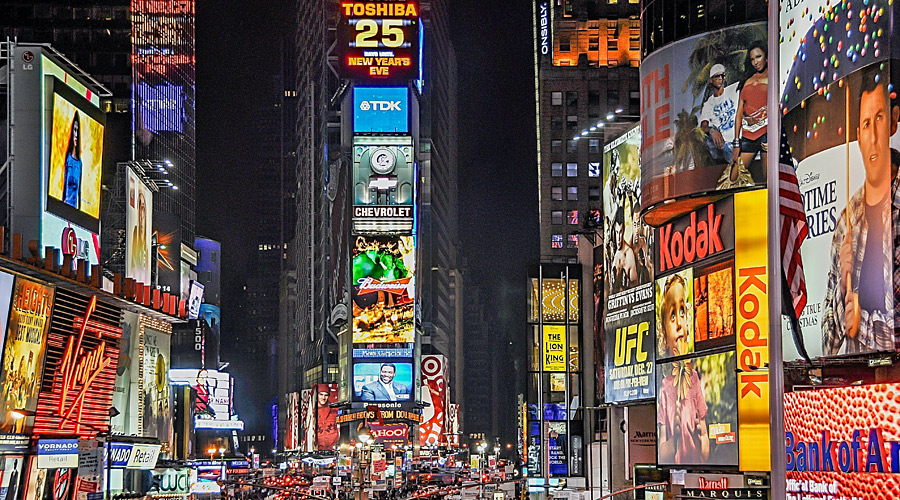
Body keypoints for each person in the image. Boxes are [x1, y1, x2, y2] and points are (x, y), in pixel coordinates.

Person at [823, 68, 900, 355]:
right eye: (866, 124)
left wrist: (860, 322)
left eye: (879, 118)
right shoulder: (846, 221)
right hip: (858, 388)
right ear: (857, 136)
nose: (873, 136)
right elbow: (828, 344)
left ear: (893, 122)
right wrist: (843, 295)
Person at [656, 273, 709, 464]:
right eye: (672, 316)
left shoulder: (694, 378)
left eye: (682, 311)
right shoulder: (664, 385)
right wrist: (675, 437)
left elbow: (705, 449)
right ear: (663, 330)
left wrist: (700, 436)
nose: (679, 323)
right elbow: (662, 453)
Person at [730, 41, 769, 183]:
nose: (755, 62)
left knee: (769, 180)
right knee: (733, 179)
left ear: (766, 56)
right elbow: (739, 113)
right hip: (748, 135)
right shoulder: (747, 81)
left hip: (766, 132)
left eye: (758, 57)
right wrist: (736, 143)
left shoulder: (774, 75)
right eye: (752, 59)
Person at [699, 64, 739, 164]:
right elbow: (703, 127)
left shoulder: (733, 90)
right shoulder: (708, 104)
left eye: (722, 76)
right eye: (717, 76)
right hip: (724, 145)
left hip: (738, 141)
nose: (720, 78)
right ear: (711, 80)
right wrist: (712, 130)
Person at [610, 205, 638, 294]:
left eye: (621, 232)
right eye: (617, 232)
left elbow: (635, 286)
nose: (618, 238)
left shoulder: (629, 254)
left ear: (624, 231)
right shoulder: (613, 253)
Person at [63, 113, 82, 209]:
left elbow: (80, 190)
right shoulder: (68, 159)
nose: (76, 135)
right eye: (74, 130)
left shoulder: (79, 163)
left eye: (78, 131)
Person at [130, 189, 149, 283]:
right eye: (140, 208)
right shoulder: (134, 236)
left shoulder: (147, 246)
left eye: (143, 208)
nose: (141, 213)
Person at [315, 385, 340, 450]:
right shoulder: (311, 411)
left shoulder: (334, 410)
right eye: (321, 394)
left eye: (326, 395)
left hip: (333, 448)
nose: (323, 397)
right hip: (316, 449)